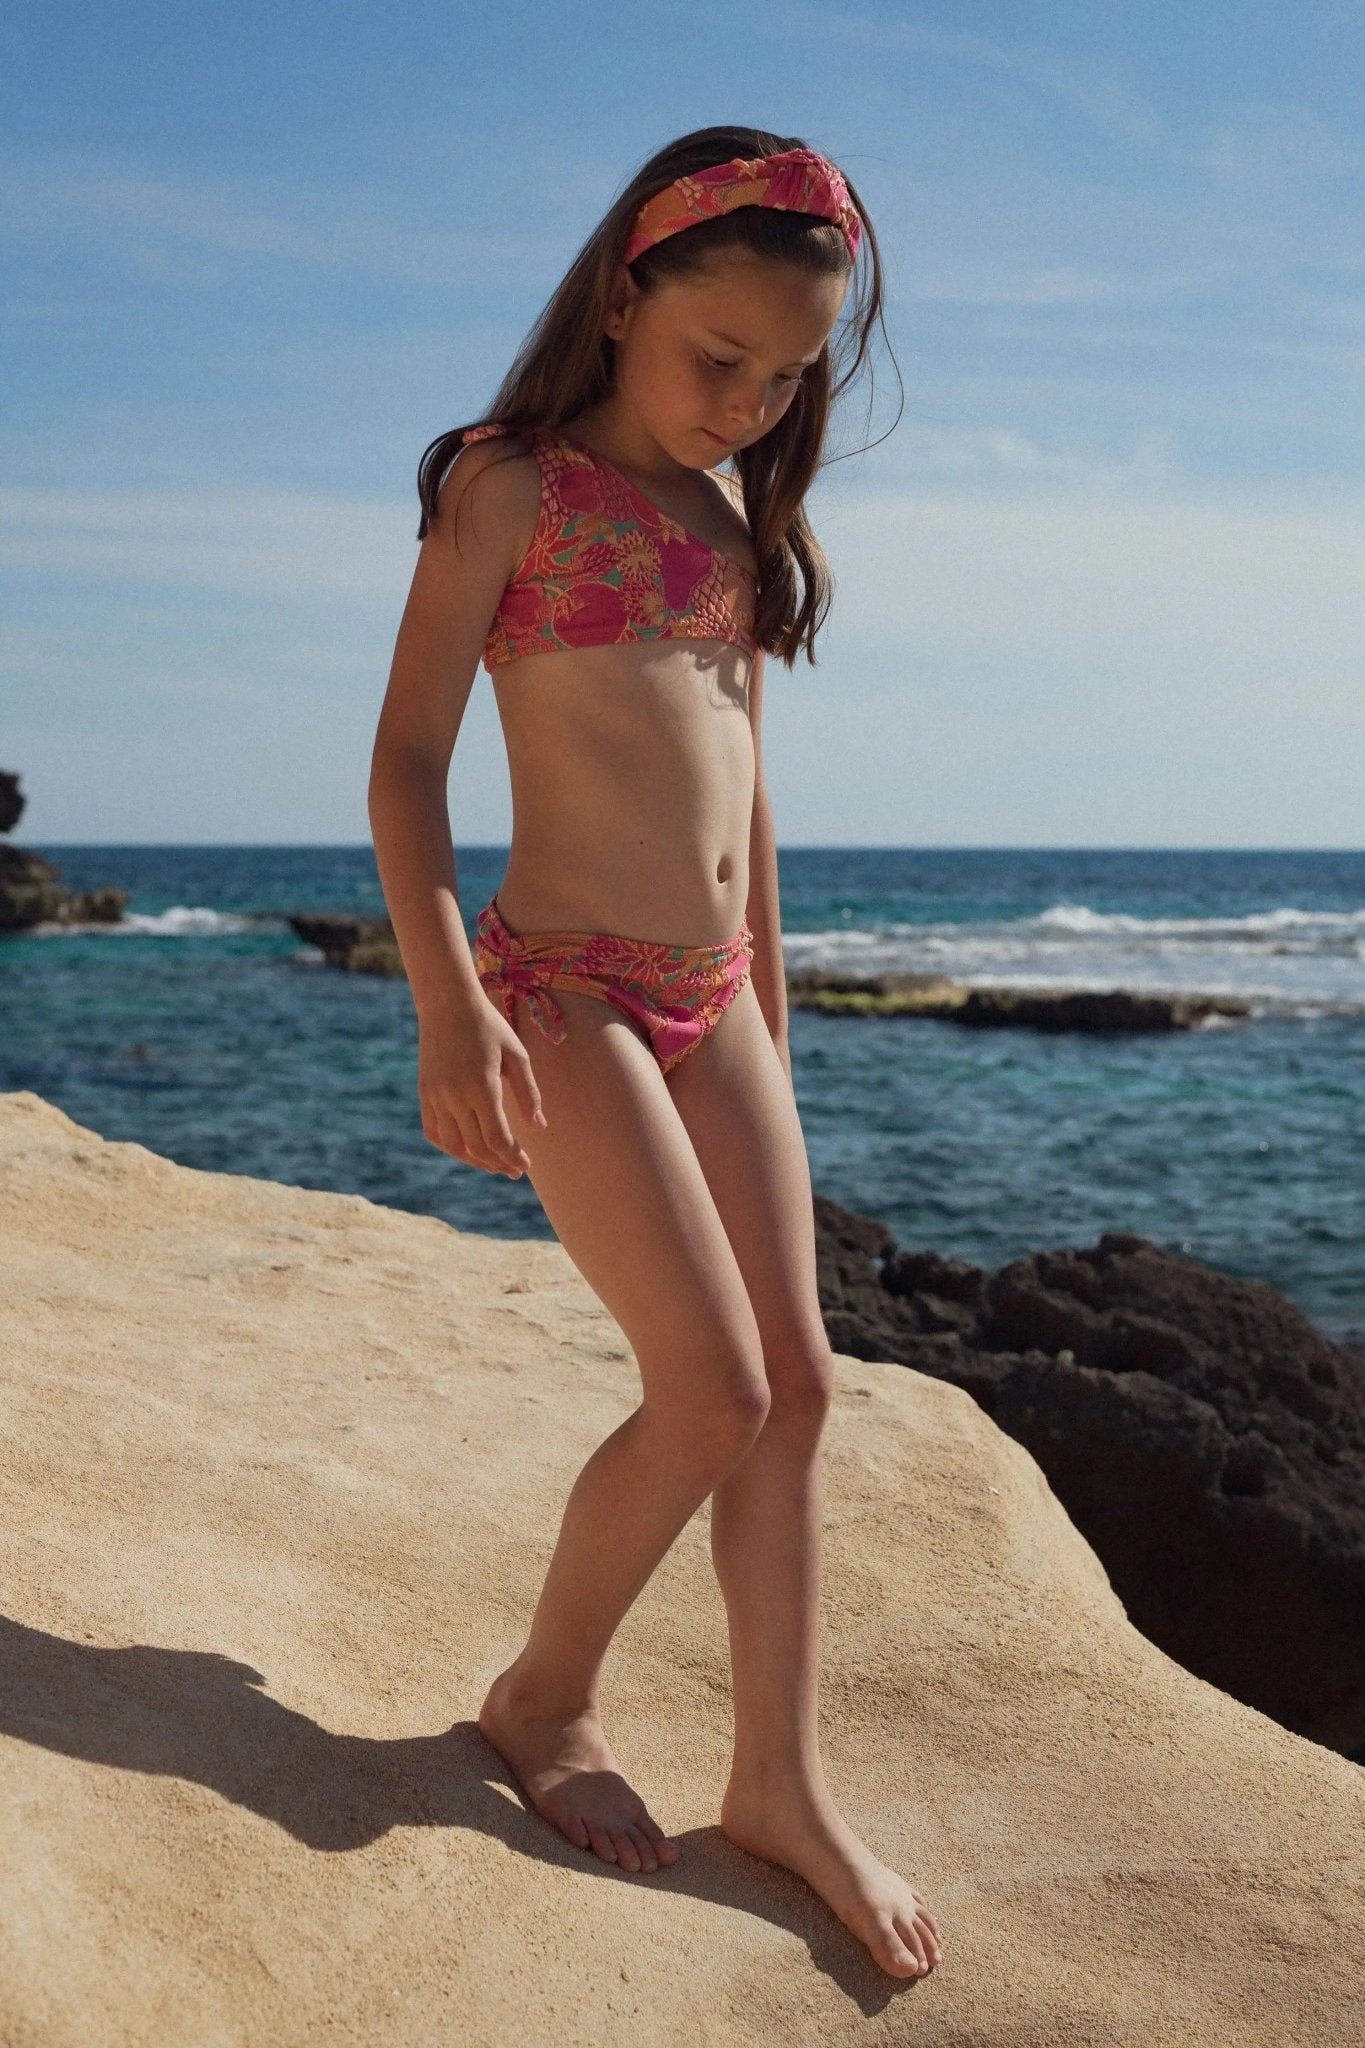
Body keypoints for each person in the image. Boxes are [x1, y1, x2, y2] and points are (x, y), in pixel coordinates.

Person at [368, 125, 943, 1983]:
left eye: (788, 378)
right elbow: (403, 765)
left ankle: (777, 1779)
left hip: (712, 1000)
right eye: (722, 360)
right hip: (564, 990)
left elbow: (745, 790)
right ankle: (541, 1701)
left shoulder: (729, 523)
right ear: (622, 294)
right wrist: (449, 1000)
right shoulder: (506, 483)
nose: (749, 404)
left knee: (803, 1389)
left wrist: (767, 1002)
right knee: (706, 1393)